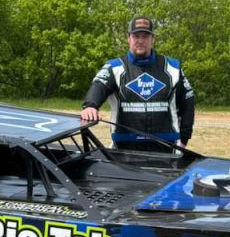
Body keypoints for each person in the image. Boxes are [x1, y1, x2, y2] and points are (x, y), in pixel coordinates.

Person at [80, 16, 195, 152]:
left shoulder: (173, 67)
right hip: (124, 150)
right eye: (136, 36)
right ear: (129, 39)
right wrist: (90, 105)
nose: (140, 41)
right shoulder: (114, 67)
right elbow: (99, 85)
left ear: (153, 39)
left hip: (167, 148)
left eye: (145, 36)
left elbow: (188, 100)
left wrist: (184, 139)